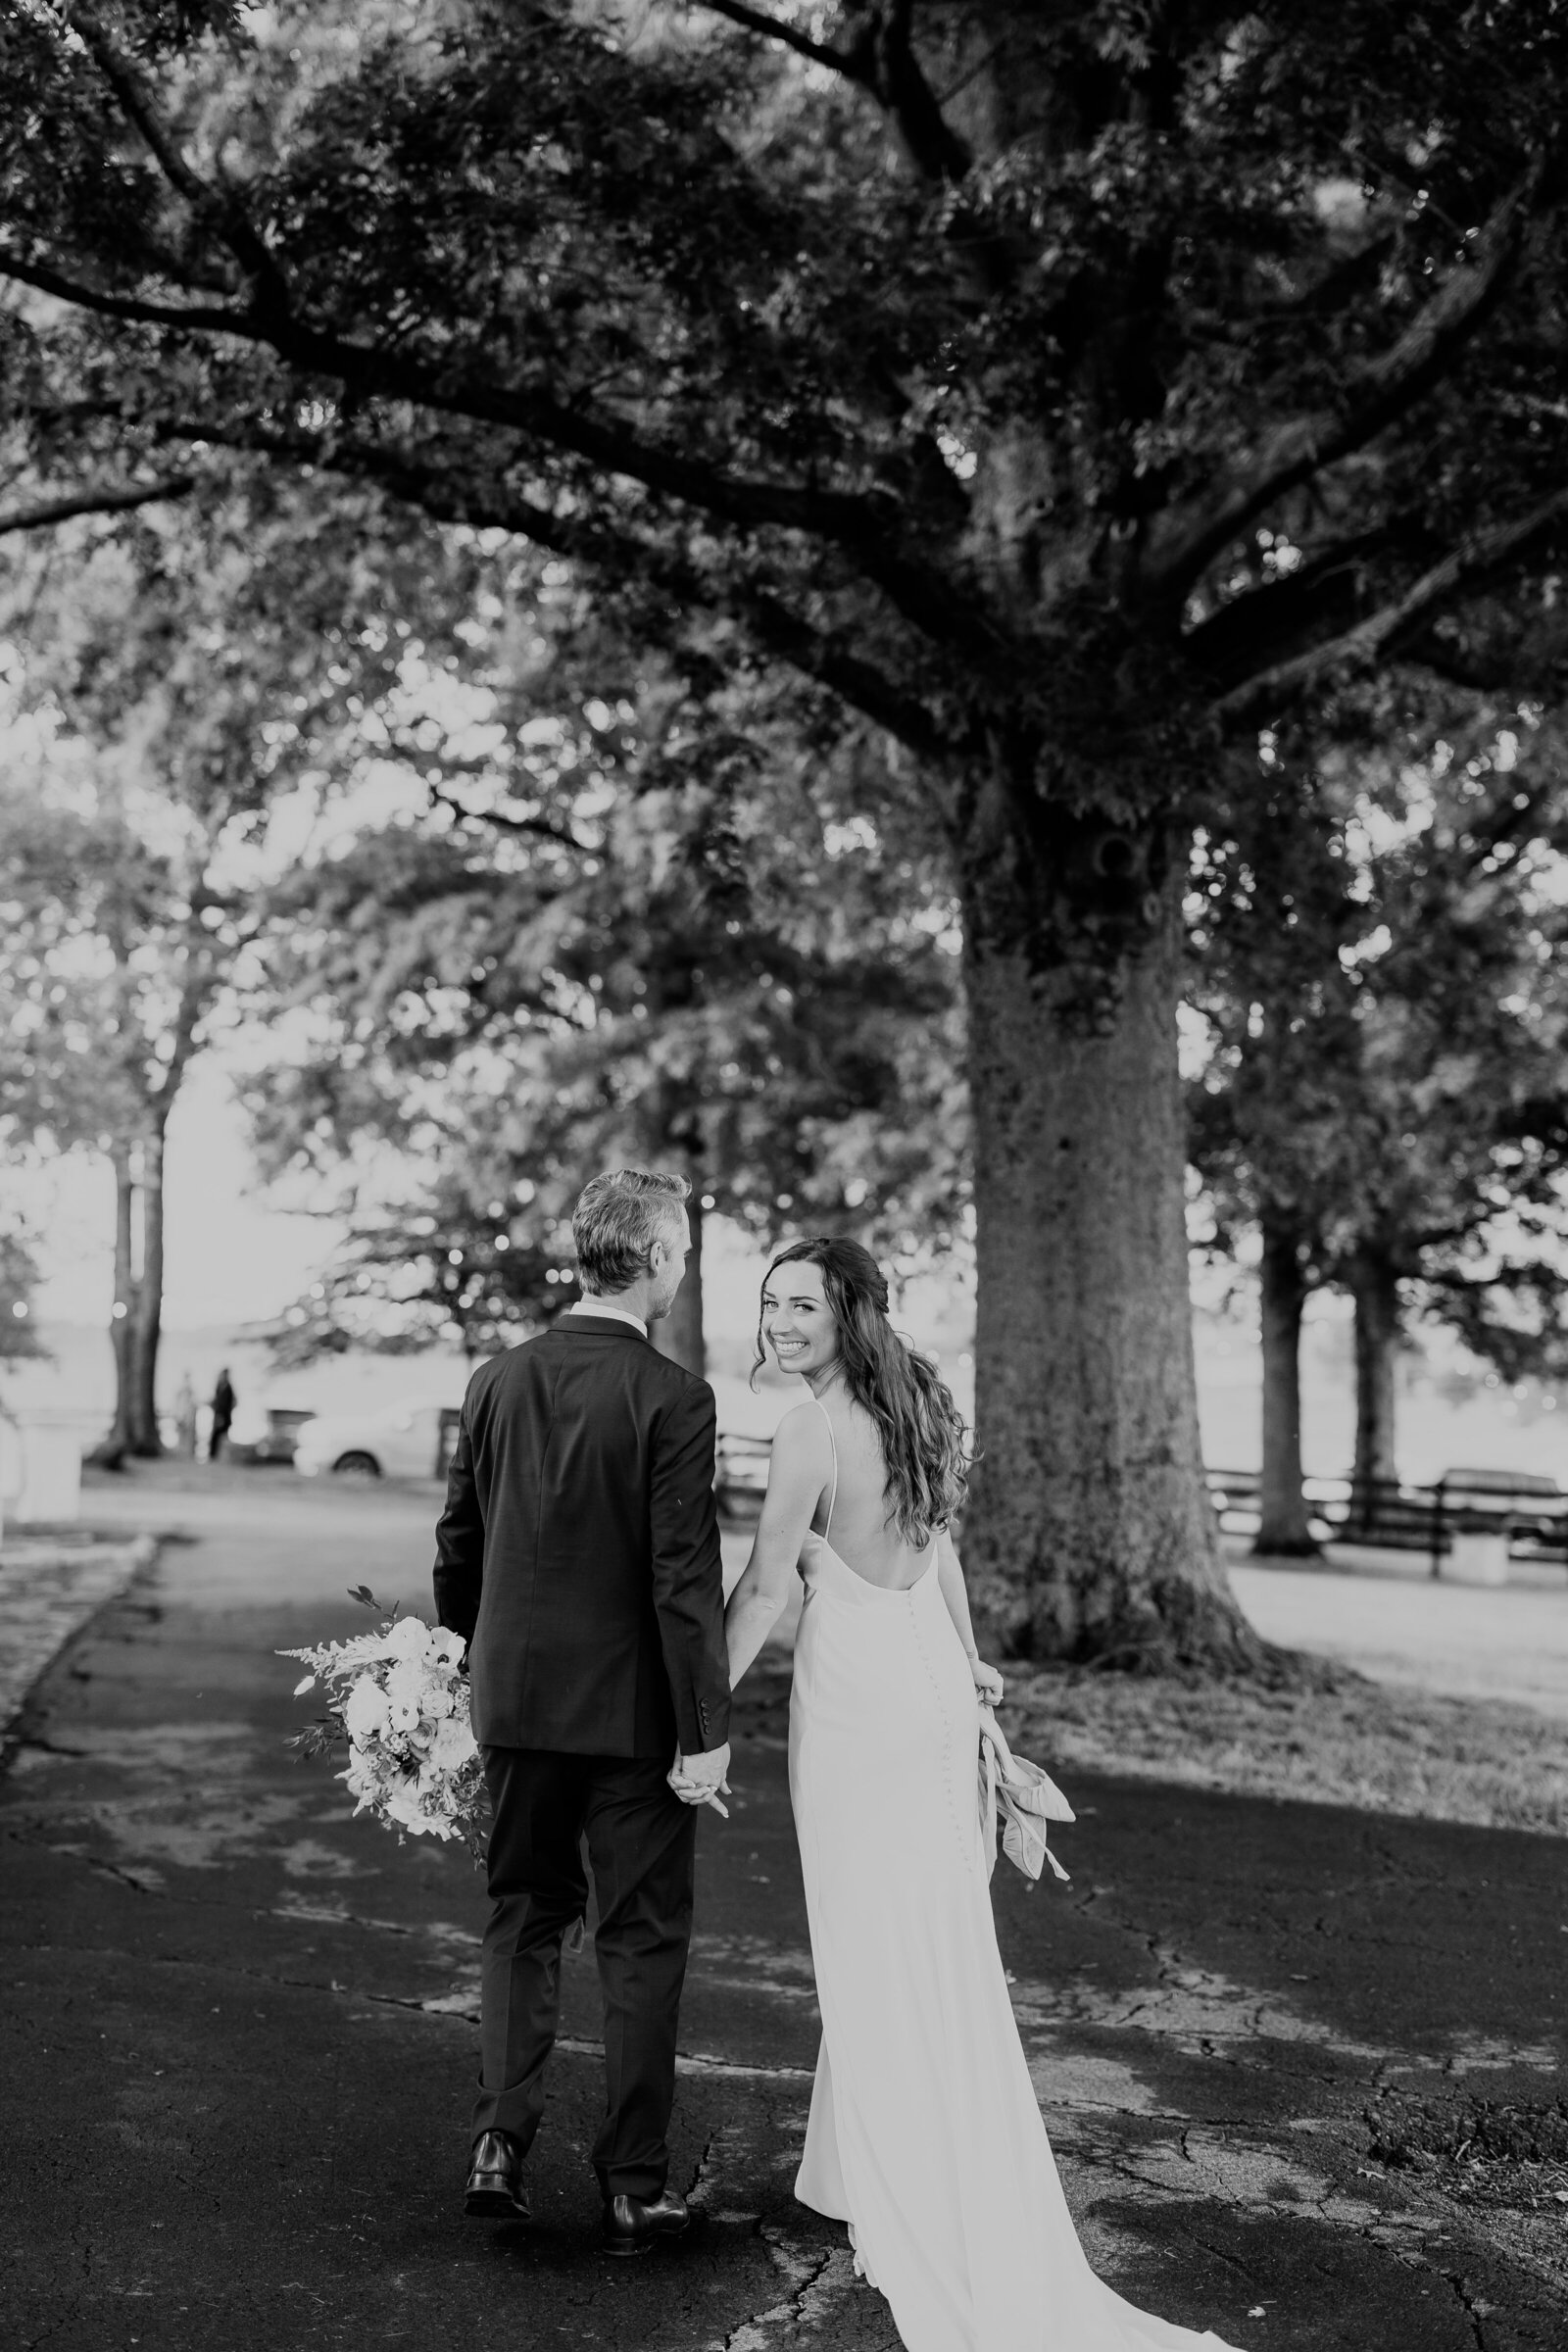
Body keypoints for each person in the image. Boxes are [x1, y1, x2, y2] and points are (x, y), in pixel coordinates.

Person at [715, 1238, 1240, 2352]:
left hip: (861, 1699)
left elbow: (764, 1584)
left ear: (851, 1311)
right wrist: (969, 1667)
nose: (780, 1322)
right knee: (929, 1938)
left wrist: (696, 1714)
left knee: (868, 1939)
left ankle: (912, 2183)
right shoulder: (913, 1398)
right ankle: (856, 2168)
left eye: (802, 1305)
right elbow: (935, 1550)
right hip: (931, 1690)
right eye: (770, 1304)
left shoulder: (812, 1426)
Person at [434, 1168, 731, 2257]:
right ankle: (632, 2185)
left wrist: (468, 1670)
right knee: (641, 1942)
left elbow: (457, 1545)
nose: (680, 1266)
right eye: (682, 1250)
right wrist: (707, 1728)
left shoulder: (496, 1380)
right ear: (653, 1259)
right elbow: (680, 1580)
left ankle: (497, 2148)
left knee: (520, 1918)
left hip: (512, 1706)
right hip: (632, 1723)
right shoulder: (674, 1398)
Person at [208, 1367, 235, 1461]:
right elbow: (216, 1401)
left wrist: (222, 1416)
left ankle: (222, 1456)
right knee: (215, 1435)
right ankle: (213, 1456)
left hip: (224, 1416)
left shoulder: (228, 1388)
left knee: (222, 1435)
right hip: (218, 1415)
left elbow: (229, 1403)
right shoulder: (219, 1386)